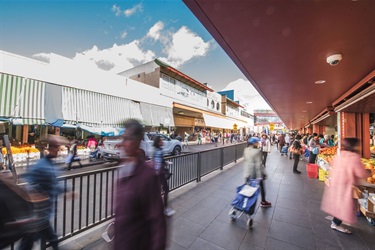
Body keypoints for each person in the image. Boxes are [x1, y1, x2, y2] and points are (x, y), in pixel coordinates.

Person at [114, 119, 166, 250]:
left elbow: (158, 222)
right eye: (123, 138)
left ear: (137, 141)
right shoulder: (123, 168)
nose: (122, 143)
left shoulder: (147, 176)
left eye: (127, 139)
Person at [19, 135, 69, 250]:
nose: (58, 150)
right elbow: (29, 180)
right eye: (57, 148)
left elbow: (55, 184)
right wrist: (36, 195)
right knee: (42, 239)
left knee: (38, 240)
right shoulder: (42, 166)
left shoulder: (49, 164)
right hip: (39, 214)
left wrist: (67, 190)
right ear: (50, 148)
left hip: (42, 214)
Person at [321, 138, 370, 234]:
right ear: (354, 146)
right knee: (344, 206)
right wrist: (369, 172)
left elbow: (332, 165)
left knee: (340, 205)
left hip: (336, 184)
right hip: (345, 187)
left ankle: (335, 221)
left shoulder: (340, 155)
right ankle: (335, 224)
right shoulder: (354, 158)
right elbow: (361, 174)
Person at [243, 137, 271, 208]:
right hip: (255, 173)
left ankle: (244, 203)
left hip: (248, 172)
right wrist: (259, 177)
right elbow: (258, 165)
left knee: (248, 188)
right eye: (257, 142)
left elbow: (245, 161)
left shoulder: (246, 150)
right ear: (254, 143)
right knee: (261, 187)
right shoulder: (257, 151)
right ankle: (263, 202)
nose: (258, 143)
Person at [152, 135, 175, 217]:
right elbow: (157, 164)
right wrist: (160, 173)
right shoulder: (159, 151)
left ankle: (157, 208)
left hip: (158, 174)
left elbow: (158, 161)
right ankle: (165, 209)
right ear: (158, 143)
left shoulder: (157, 150)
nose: (163, 142)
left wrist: (166, 163)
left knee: (158, 191)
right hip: (160, 174)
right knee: (166, 190)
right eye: (161, 140)